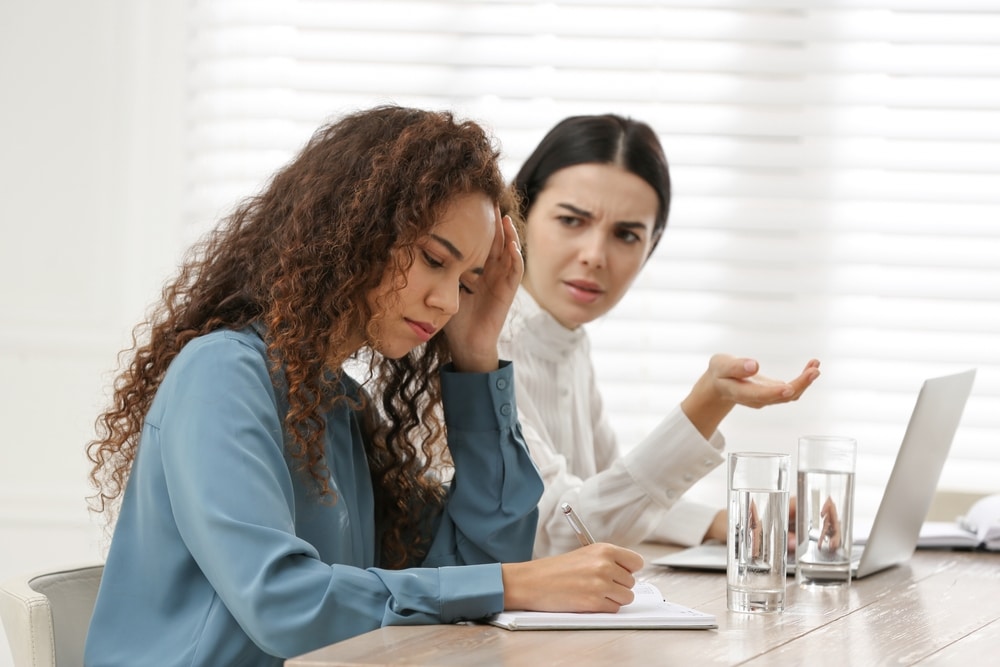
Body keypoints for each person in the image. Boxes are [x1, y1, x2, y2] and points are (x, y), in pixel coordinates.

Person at [83, 106, 643, 667]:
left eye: (466, 282)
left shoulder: (339, 402)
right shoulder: (221, 376)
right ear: (355, 233)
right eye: (433, 261)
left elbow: (473, 558)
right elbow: (286, 605)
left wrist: (476, 357)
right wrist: (513, 585)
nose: (448, 302)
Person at [499, 114, 819, 558]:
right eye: (572, 220)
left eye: (626, 235)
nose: (594, 256)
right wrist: (706, 405)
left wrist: (720, 521)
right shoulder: (486, 347)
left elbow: (607, 494)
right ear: (520, 214)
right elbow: (565, 528)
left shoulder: (566, 339)